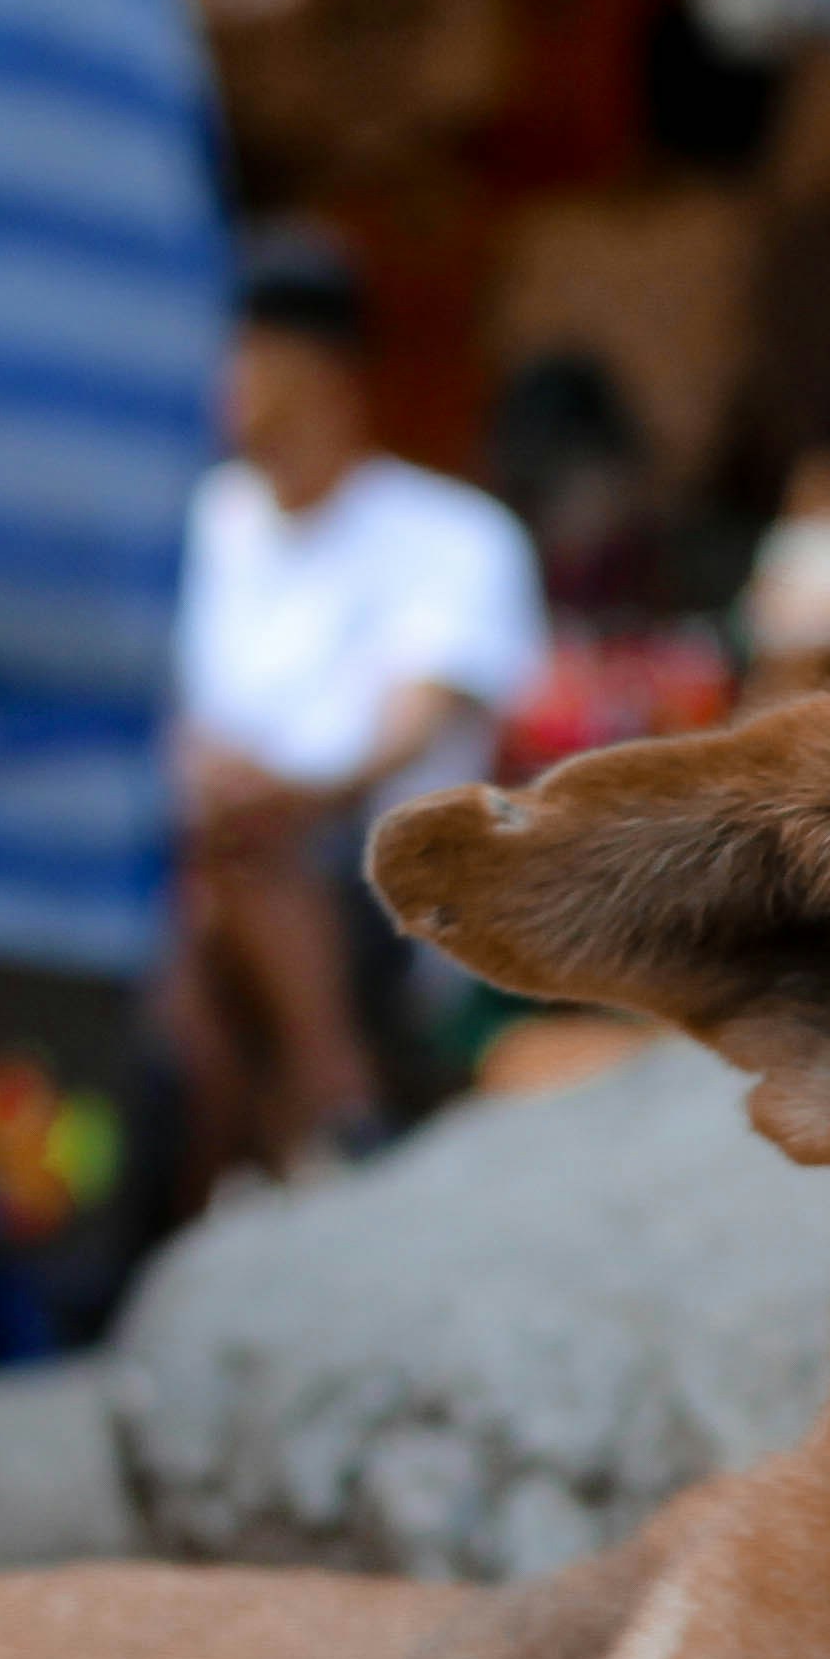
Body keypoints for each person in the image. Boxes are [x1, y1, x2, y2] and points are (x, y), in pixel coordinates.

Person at [163, 224, 545, 1189]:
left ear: (320, 370)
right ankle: (313, 1125)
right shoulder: (194, 527)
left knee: (245, 858)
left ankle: (318, 1109)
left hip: (385, 884)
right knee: (204, 885)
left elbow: (411, 725)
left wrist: (295, 793)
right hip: (215, 857)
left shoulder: (451, 535)